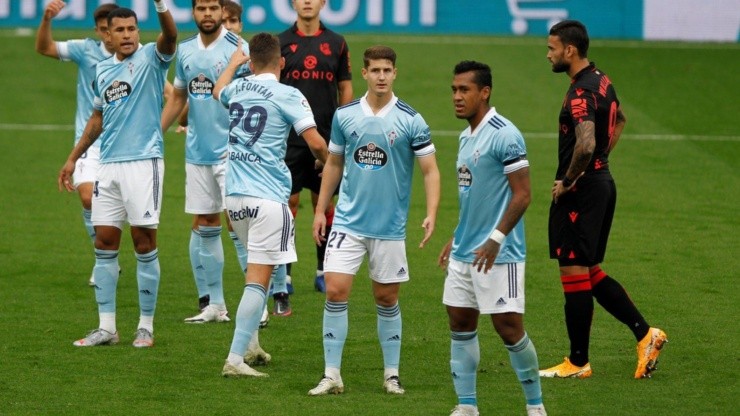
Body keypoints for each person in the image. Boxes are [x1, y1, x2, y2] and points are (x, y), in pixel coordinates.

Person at [539, 20, 667, 380]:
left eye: (551, 48)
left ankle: (578, 363)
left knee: (573, 272)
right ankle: (646, 334)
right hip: (601, 184)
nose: (547, 55)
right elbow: (620, 118)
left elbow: (586, 142)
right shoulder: (602, 80)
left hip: (583, 191)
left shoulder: (580, 92)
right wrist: (598, 166)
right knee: (588, 272)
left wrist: (569, 180)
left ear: (570, 50)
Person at [308, 45, 440, 396]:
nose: (381, 76)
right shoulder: (345, 115)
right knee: (335, 290)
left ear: (395, 73)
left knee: (386, 298)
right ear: (364, 74)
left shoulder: (412, 119)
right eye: (375, 70)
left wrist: (431, 213)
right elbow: (333, 164)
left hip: (389, 227)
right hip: (349, 223)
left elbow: (430, 170)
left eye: (387, 70)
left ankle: (391, 374)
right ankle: (332, 373)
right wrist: (321, 210)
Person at [57, 1, 177, 347]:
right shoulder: (104, 71)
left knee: (143, 243)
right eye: (120, 30)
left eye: (131, 29)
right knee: (104, 242)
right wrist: (72, 159)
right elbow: (97, 120)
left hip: (144, 163)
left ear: (138, 31)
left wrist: (161, 5)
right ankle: (107, 327)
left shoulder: (153, 58)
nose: (126, 35)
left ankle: (146, 326)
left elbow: (170, 35)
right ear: (107, 34)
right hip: (107, 166)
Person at [213, 32, 328, 377]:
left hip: (233, 198)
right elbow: (315, 141)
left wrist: (233, 65)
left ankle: (250, 347)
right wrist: (325, 162)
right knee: (259, 281)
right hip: (266, 199)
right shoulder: (288, 94)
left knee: (254, 272)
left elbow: (218, 91)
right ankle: (234, 359)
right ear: (281, 63)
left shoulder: (238, 89)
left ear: (250, 63)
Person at [438, 61, 546, 416]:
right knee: (460, 322)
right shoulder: (465, 136)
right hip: (465, 251)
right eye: (454, 89)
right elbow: (476, 196)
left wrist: (496, 238)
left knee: (509, 327)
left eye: (464, 90)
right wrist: (457, 236)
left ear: (484, 92)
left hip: (500, 254)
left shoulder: (505, 134)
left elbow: (523, 194)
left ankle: (536, 408)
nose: (456, 97)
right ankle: (467, 406)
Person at [161, 0, 251, 324]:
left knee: (240, 226)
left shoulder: (240, 49)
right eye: (202, 8)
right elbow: (180, 96)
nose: (208, 14)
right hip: (197, 152)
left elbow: (253, 99)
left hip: (233, 151)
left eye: (214, 7)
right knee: (207, 225)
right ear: (194, 12)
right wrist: (157, 132)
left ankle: (260, 303)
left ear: (221, 11)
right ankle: (216, 305)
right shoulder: (185, 50)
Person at [36, 1, 118, 286]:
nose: (111, 36)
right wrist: (47, 19)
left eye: (115, 30)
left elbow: (167, 89)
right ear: (97, 30)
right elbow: (45, 48)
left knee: (128, 214)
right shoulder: (86, 50)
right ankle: (104, 258)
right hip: (89, 143)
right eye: (105, 30)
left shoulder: (134, 55)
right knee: (87, 197)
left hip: (124, 144)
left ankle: (111, 251)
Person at [278, 0, 353, 303]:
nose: (307, 1)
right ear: (293, 3)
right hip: (290, 138)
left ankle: (323, 270)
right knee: (288, 203)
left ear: (323, 3)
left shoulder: (336, 43)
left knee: (323, 204)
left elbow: (345, 87)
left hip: (325, 136)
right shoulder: (281, 43)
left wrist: (345, 126)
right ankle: (283, 273)